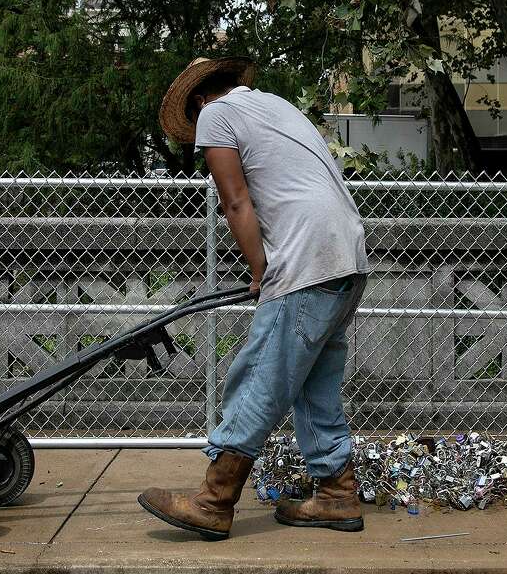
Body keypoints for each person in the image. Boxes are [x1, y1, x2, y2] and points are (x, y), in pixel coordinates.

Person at [138, 56, 371, 541]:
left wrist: (259, 268)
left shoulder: (215, 113)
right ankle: (336, 492)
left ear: (200, 98)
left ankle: (213, 501)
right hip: (346, 253)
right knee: (314, 382)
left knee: (261, 375)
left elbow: (235, 199)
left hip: (306, 258)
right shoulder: (274, 105)